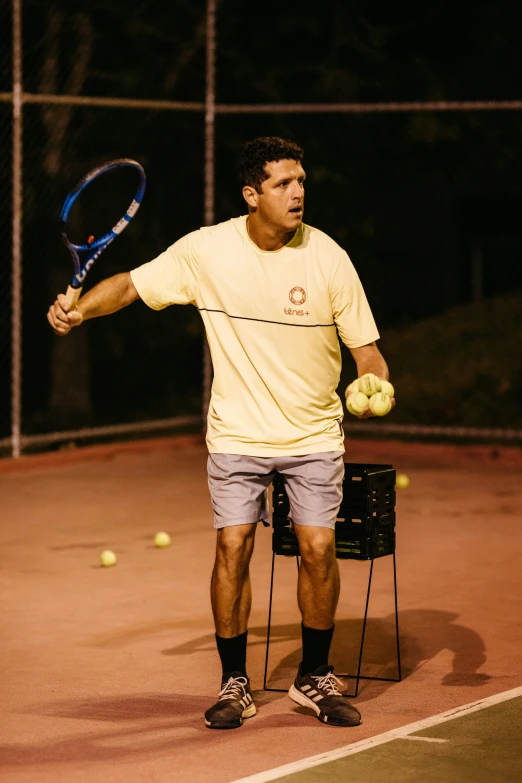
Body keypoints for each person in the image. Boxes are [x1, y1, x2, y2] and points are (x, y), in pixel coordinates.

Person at [48, 136, 392, 730]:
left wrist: (372, 382)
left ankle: (314, 677)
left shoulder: (328, 258)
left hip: (312, 434)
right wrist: (80, 312)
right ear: (251, 194)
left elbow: (368, 352)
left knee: (318, 549)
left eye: (302, 181)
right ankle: (236, 682)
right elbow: (131, 284)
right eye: (284, 184)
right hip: (236, 434)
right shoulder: (208, 252)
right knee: (232, 548)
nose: (298, 192)